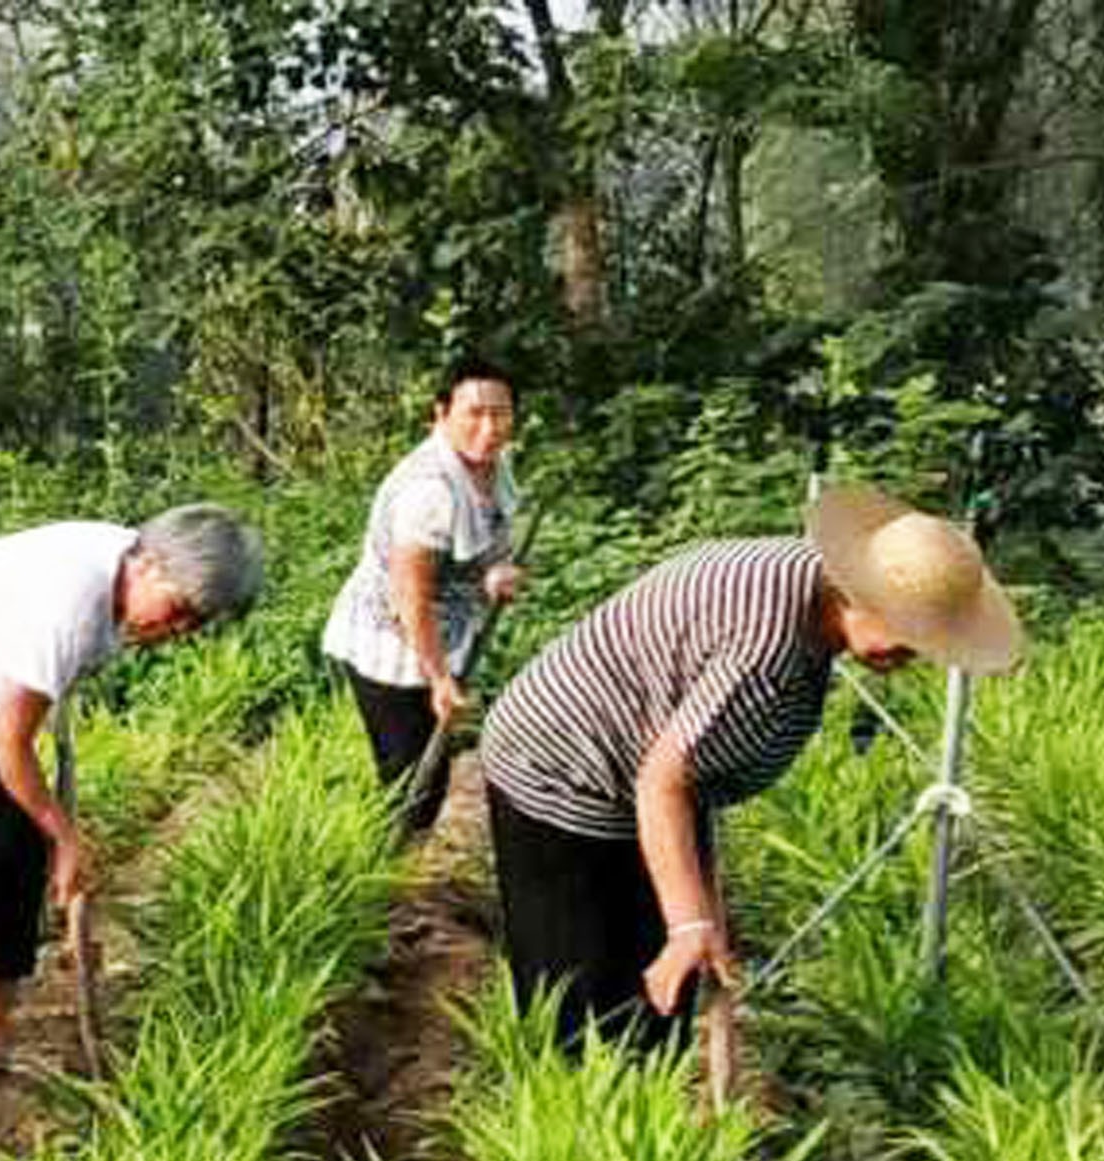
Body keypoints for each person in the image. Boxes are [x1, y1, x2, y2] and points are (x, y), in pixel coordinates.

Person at [476, 483, 1022, 1054]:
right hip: (560, 768)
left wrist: (698, 914)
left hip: (642, 770)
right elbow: (663, 781)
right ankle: (574, 1095)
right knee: (583, 999)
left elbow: (688, 769)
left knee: (662, 987)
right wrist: (690, 924)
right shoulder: (765, 649)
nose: (913, 655)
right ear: (856, 593)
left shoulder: (808, 585)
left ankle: (648, 1081)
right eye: (908, 634)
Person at [0, 506, 265, 1073]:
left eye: (195, 624)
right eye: (180, 611)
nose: (177, 631)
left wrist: (53, 833)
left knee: (23, 843)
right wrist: (67, 839)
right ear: (150, 564)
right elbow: (7, 738)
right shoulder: (70, 603)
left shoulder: (124, 570)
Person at [321, 355, 524, 839]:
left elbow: (487, 536)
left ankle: (397, 855)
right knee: (413, 782)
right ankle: (382, 866)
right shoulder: (428, 491)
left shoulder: (493, 464)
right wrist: (439, 679)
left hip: (436, 634)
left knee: (425, 773)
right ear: (441, 413)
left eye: (500, 413)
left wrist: (492, 573)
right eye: (474, 413)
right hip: (391, 647)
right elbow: (410, 596)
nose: (489, 428)